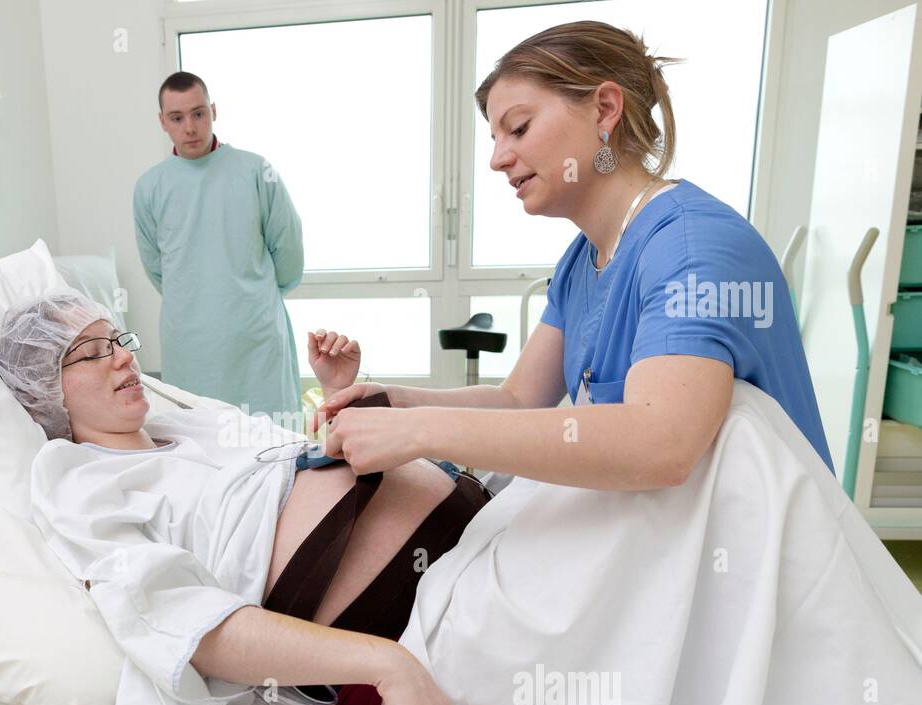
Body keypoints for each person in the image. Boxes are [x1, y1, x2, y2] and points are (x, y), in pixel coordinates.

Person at [0, 291, 478, 705]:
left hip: (465, 536)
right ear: (45, 389)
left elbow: (298, 464)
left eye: (117, 339)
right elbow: (188, 626)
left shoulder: (186, 424)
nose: (125, 356)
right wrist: (384, 663)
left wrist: (337, 393)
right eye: (92, 351)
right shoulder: (77, 480)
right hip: (399, 623)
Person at [313, 20, 834, 491]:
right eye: (494, 138)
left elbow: (662, 443)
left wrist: (422, 432)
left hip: (748, 554)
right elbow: (519, 400)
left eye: (517, 128)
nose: (497, 159)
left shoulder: (692, 249)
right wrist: (390, 400)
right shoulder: (584, 259)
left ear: (605, 109)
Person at [133, 71, 305, 419]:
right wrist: (194, 300)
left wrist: (252, 296)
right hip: (190, 343)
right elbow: (158, 267)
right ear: (162, 122)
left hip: (255, 337)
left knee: (271, 443)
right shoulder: (150, 187)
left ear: (214, 110)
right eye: (177, 118)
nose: (190, 128)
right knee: (200, 444)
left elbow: (288, 251)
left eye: (199, 114)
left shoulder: (257, 171)